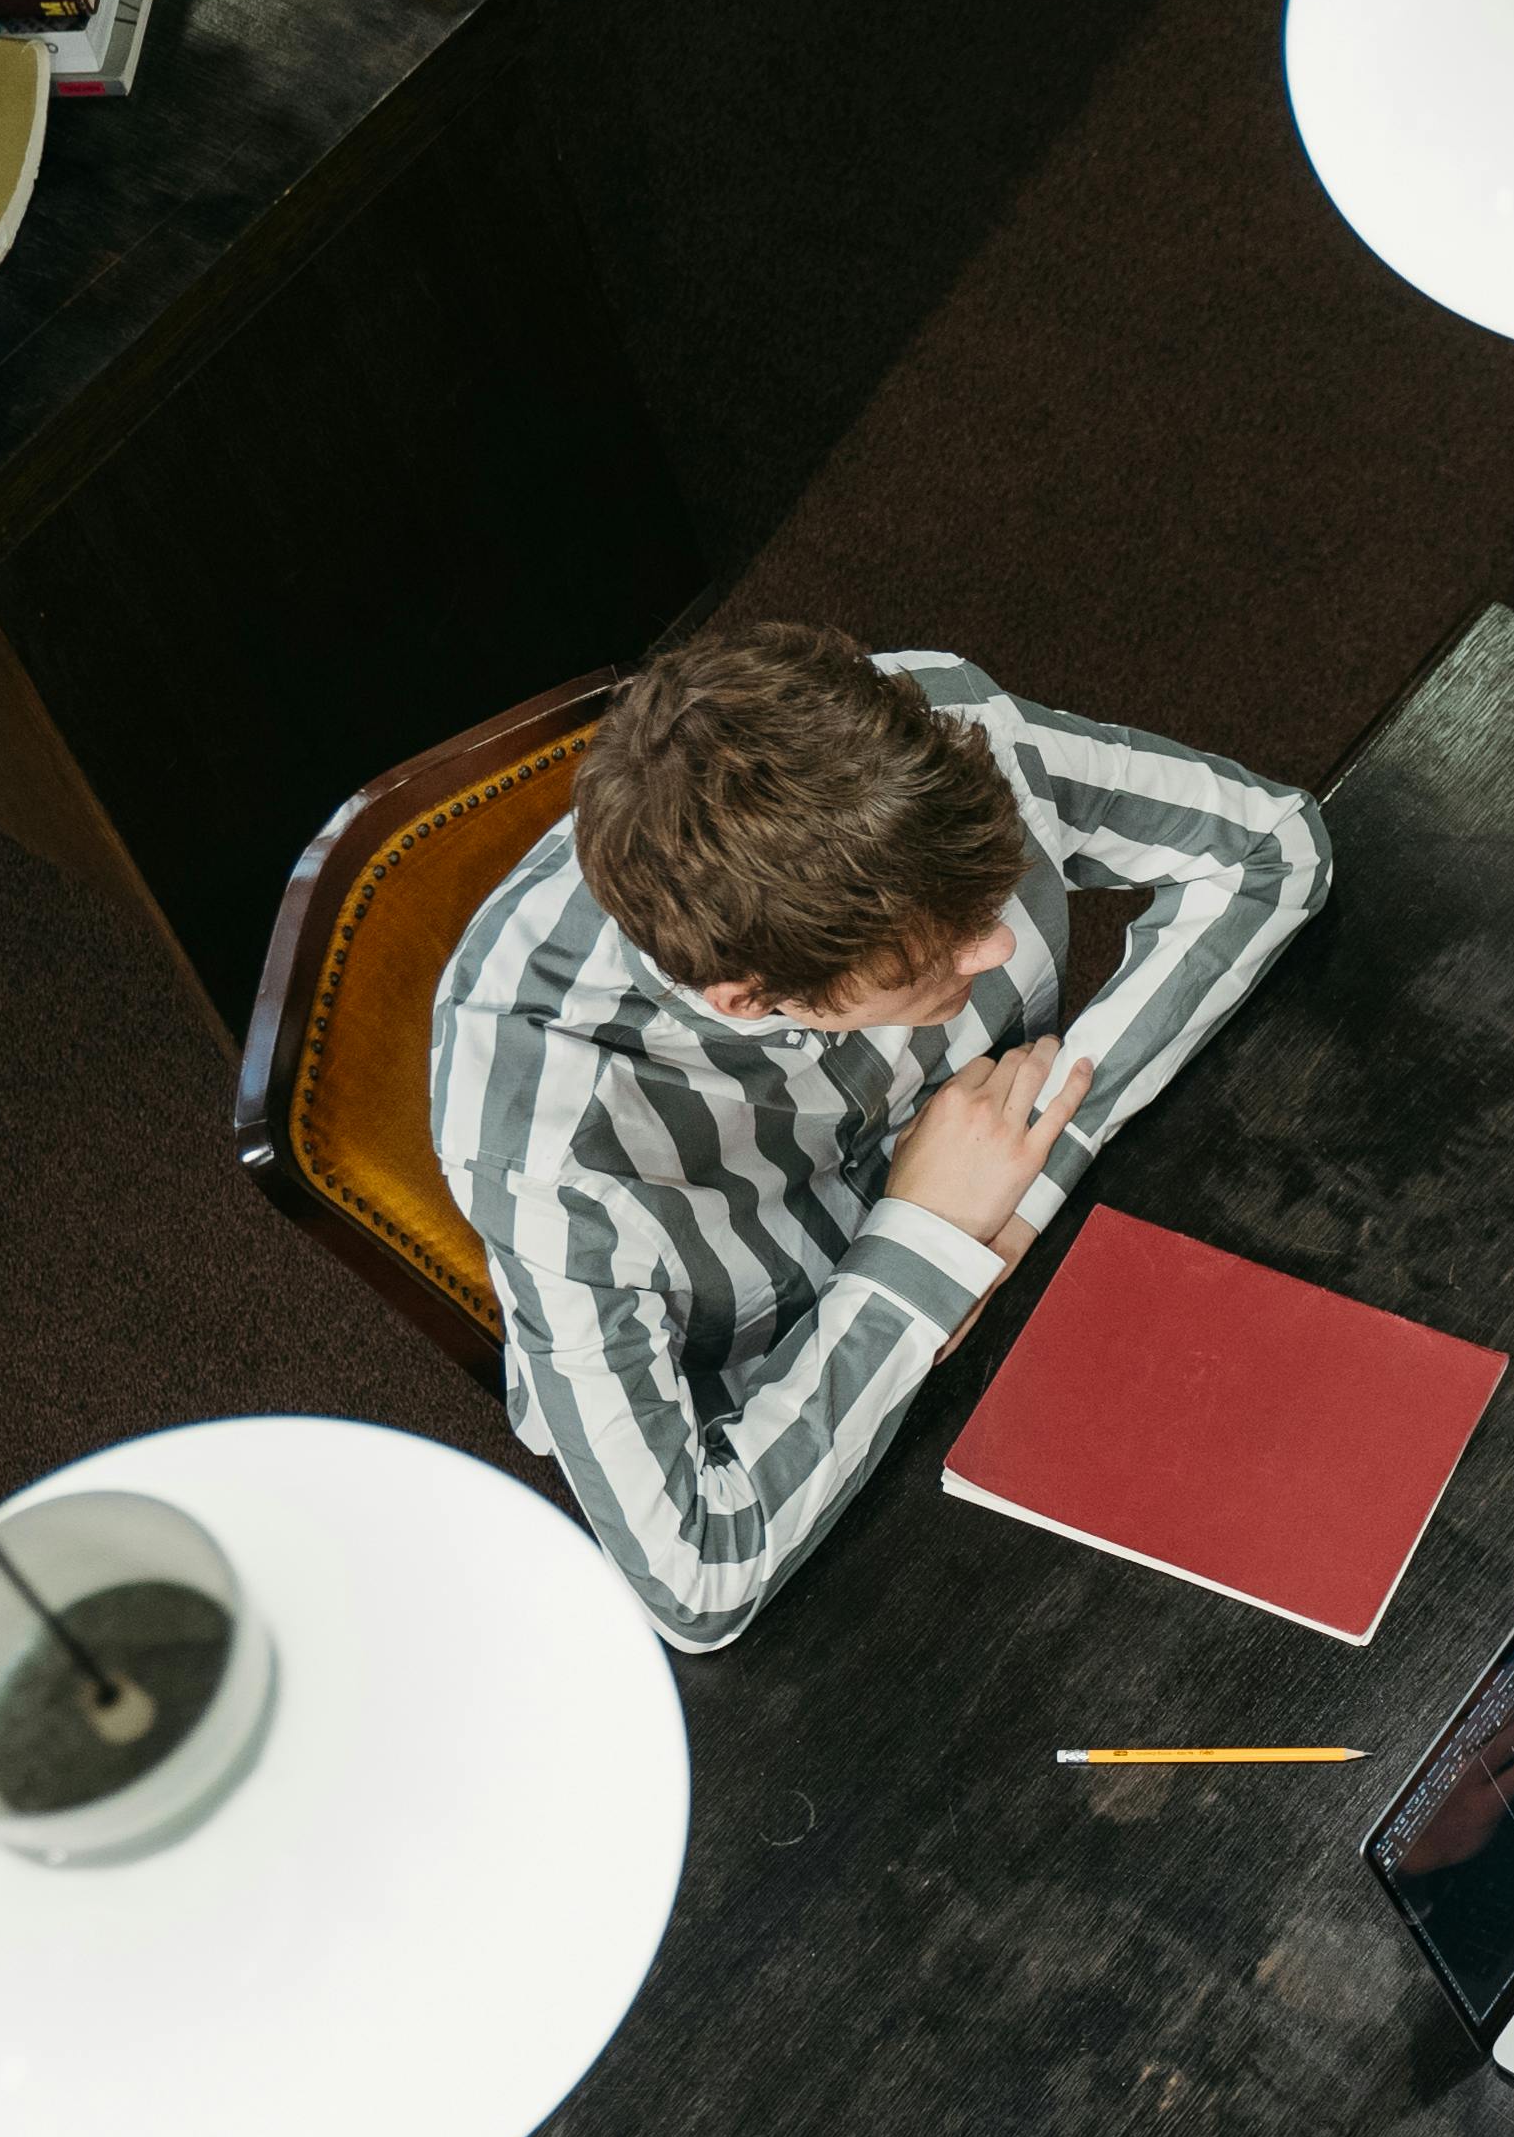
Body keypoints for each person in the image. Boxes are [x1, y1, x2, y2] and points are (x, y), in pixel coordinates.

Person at [434, 621, 1328, 1649]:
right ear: (757, 998)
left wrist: (1030, 1164)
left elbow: (1273, 847)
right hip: (804, 1422)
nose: (998, 941)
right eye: (935, 958)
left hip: (1039, 1265)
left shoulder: (936, 740)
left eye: (989, 902)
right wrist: (926, 1236)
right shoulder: (544, 1148)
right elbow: (696, 1578)